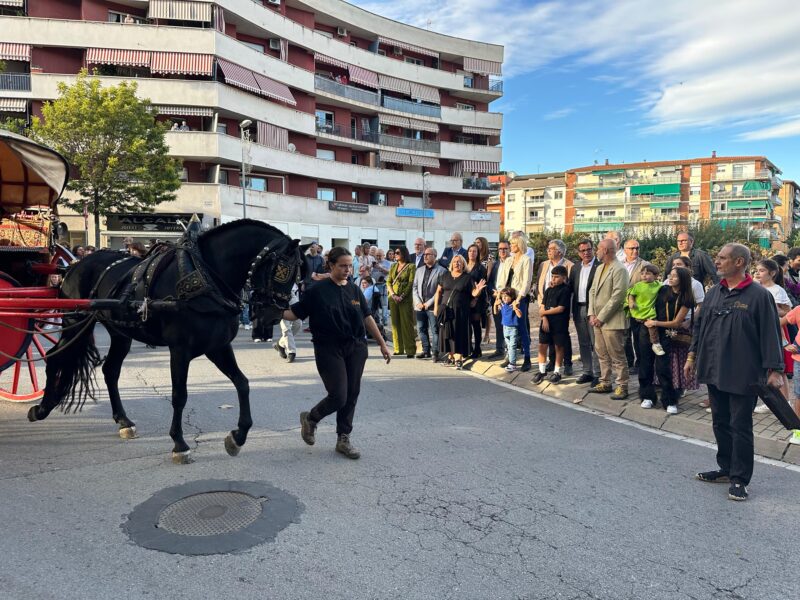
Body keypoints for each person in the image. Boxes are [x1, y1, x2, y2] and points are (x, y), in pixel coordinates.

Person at [687, 243, 783, 501]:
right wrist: (692, 355)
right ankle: (726, 468)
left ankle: (740, 479)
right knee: (720, 422)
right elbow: (700, 327)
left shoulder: (759, 296)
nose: (716, 262)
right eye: (717, 257)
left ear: (739, 262)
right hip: (713, 367)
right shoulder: (713, 293)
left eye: (722, 258)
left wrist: (774, 370)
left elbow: (771, 334)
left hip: (743, 372)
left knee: (740, 425)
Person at [282, 248, 390, 459]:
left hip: (356, 347)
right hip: (328, 348)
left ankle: (343, 438)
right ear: (330, 265)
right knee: (339, 395)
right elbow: (295, 313)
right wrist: (274, 311)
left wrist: (382, 344)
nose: (347, 269)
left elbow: (367, 318)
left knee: (352, 394)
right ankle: (312, 418)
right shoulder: (317, 290)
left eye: (349, 265)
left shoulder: (354, 289)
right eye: (342, 265)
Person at [643, 267, 696, 413]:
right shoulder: (662, 289)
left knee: (663, 367)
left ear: (683, 279)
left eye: (674, 276)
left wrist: (656, 323)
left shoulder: (687, 298)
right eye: (669, 275)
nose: (670, 278)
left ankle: (669, 400)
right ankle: (647, 396)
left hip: (666, 332)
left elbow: (677, 323)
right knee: (646, 364)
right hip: (648, 329)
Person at [588, 239, 630, 400]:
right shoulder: (599, 268)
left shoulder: (620, 269)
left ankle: (622, 386)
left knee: (617, 354)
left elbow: (618, 296)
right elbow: (592, 291)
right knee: (601, 352)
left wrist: (601, 317)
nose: (596, 251)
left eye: (598, 248)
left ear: (605, 250)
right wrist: (592, 314)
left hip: (612, 321)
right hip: (596, 319)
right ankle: (605, 381)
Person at [753, 258, 792, 413]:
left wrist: (773, 310)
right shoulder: (754, 287)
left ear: (773, 273)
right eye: (756, 270)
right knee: (760, 368)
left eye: (761, 270)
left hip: (775, 332)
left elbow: (788, 312)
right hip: (756, 331)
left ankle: (785, 402)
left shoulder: (777, 290)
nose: (758, 273)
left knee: (777, 368)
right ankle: (768, 401)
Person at [435, 255, 486, 369]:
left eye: (459, 262)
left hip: (461, 311)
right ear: (451, 264)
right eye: (455, 262)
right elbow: (438, 292)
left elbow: (473, 293)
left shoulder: (467, 278)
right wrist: (436, 308)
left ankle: (459, 358)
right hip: (446, 311)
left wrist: (478, 290)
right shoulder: (445, 276)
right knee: (448, 333)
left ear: (463, 264)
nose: (457, 264)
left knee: (460, 333)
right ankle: (451, 356)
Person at [493, 236, 533, 371]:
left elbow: (526, 282)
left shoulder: (526, 260)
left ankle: (527, 358)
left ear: (519, 244)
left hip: (519, 299)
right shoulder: (509, 260)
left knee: (521, 328)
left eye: (513, 243)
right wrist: (499, 295)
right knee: (506, 327)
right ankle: (511, 358)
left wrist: (518, 299)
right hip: (506, 298)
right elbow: (502, 280)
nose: (511, 245)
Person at [534, 239, 574, 375]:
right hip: (545, 304)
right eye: (548, 248)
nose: (548, 251)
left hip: (561, 308)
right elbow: (540, 283)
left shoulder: (570, 266)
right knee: (547, 337)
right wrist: (543, 310)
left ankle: (567, 363)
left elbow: (571, 287)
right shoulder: (544, 265)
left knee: (562, 339)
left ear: (560, 251)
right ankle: (551, 364)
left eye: (551, 248)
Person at [532, 265, 571, 384]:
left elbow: (560, 308)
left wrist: (544, 312)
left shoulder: (565, 289)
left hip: (559, 323)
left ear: (564, 277)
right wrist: (544, 317)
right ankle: (542, 371)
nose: (553, 279)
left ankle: (557, 371)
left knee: (559, 346)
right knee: (542, 345)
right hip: (546, 322)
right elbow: (543, 305)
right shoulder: (549, 289)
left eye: (556, 277)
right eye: (552, 276)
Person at [569, 238, 600, 386]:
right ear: (579, 253)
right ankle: (587, 371)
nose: (586, 253)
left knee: (596, 343)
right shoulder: (575, 268)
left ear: (593, 249)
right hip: (578, 308)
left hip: (593, 309)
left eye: (588, 249)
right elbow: (570, 289)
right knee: (583, 343)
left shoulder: (600, 266)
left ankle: (598, 374)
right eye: (583, 250)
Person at [621, 239, 650, 372]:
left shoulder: (645, 265)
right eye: (632, 248)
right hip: (622, 306)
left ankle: (640, 363)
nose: (635, 251)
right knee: (625, 335)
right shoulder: (619, 264)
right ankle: (629, 361)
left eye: (637, 248)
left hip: (639, 307)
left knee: (639, 336)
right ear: (624, 249)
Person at [413, 247, 445, 361]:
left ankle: (435, 352)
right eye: (424, 254)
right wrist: (418, 302)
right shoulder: (419, 270)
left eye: (428, 254)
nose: (425, 256)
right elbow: (415, 287)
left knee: (435, 330)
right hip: (419, 306)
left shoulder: (441, 271)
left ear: (435, 256)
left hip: (433, 306)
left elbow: (440, 290)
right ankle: (426, 350)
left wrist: (428, 303)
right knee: (421, 329)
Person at [627, 264, 665, 357]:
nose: (644, 275)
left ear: (656, 276)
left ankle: (655, 344)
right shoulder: (638, 285)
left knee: (652, 328)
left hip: (650, 312)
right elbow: (631, 294)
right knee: (637, 339)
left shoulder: (658, 285)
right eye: (642, 273)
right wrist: (631, 302)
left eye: (647, 273)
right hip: (638, 312)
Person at [386, 246, 416, 357]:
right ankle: (398, 348)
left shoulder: (411, 266)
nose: (395, 254)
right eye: (394, 252)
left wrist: (402, 296)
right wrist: (393, 295)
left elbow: (410, 283)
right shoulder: (393, 266)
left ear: (404, 253)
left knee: (406, 324)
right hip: (393, 298)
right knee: (395, 323)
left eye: (397, 252)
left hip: (405, 299)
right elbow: (388, 282)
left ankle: (410, 350)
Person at [487, 240, 511, 360]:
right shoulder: (496, 264)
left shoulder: (513, 264)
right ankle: (499, 349)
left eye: (505, 249)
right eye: (500, 249)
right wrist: (494, 292)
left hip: (508, 300)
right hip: (496, 299)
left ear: (509, 249)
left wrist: (503, 294)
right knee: (498, 325)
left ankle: (510, 352)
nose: (502, 251)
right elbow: (490, 281)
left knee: (509, 327)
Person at [465, 243, 488, 359]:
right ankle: (468, 347)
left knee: (475, 325)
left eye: (474, 251)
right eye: (470, 251)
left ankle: (477, 349)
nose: (472, 253)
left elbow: (482, 285)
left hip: (477, 300)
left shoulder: (481, 268)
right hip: (465, 299)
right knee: (467, 325)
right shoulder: (464, 266)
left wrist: (475, 299)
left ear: (478, 253)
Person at [495, 287, 522, 372]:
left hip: (513, 328)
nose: (504, 298)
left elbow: (520, 315)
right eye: (503, 296)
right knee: (508, 346)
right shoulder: (503, 305)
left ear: (512, 296)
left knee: (512, 346)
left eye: (506, 296)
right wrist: (495, 304)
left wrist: (515, 308)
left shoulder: (514, 304)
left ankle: (513, 364)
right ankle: (510, 361)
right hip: (505, 328)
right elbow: (495, 312)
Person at [274, 284, 301, 363]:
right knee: (286, 328)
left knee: (298, 324)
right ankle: (291, 352)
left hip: (291, 294)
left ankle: (280, 344)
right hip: (277, 297)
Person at [371, 248, 391, 325]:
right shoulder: (373, 263)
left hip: (383, 285)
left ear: (384, 255)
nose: (378, 257)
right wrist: (371, 266)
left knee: (384, 304)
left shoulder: (388, 263)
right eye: (377, 256)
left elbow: (389, 272)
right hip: (375, 285)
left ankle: (385, 320)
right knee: (375, 304)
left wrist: (379, 267)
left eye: (380, 256)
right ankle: (377, 320)